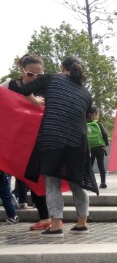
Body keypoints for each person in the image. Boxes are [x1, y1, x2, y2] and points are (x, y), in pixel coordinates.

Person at [13, 55, 97, 235]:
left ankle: (57, 225)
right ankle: (82, 223)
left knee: (52, 183)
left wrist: (35, 100)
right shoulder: (86, 93)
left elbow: (25, 89)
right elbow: (85, 116)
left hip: (54, 138)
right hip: (78, 141)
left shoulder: (52, 78)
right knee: (77, 183)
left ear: (62, 68)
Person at [2, 53, 51, 230]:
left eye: (39, 74)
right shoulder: (10, 85)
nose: (35, 78)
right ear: (22, 70)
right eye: (30, 74)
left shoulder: (48, 87)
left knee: (37, 181)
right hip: (14, 142)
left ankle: (46, 218)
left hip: (38, 142)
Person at [86, 107, 108, 189]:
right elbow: (104, 134)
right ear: (94, 114)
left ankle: (88, 181)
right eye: (98, 114)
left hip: (90, 148)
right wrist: (106, 143)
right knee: (101, 165)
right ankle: (103, 182)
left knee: (90, 165)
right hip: (100, 147)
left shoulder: (85, 123)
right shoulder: (98, 124)